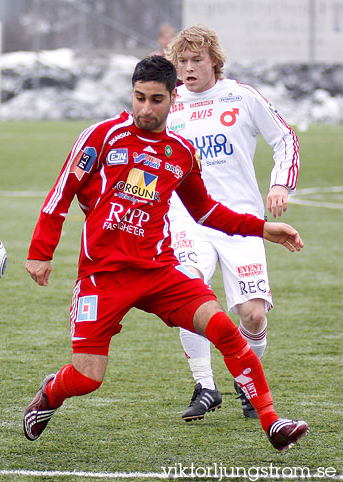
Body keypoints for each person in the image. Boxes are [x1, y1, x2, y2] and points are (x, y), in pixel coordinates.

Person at [22, 55, 308, 452]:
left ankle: (272, 422)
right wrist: (42, 251)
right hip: (103, 276)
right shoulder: (102, 136)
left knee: (224, 327)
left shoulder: (180, 153)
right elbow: (61, 194)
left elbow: (207, 211)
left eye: (156, 100)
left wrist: (262, 228)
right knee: (88, 377)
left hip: (159, 272)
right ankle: (50, 393)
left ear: (173, 98)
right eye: (139, 97)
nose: (145, 108)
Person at [164, 24, 301, 422]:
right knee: (188, 291)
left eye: (196, 61)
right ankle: (205, 385)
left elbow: (285, 139)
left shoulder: (241, 96)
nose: (188, 69)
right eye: (182, 62)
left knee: (253, 314)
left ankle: (244, 380)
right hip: (188, 219)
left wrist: (280, 185)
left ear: (214, 62)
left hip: (240, 220)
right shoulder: (169, 104)